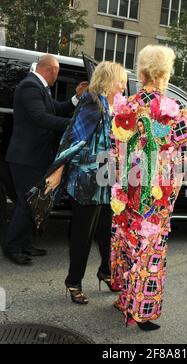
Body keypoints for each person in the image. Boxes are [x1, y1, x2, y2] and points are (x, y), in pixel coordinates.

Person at [110, 45, 187, 331]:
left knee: (128, 242)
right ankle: (142, 310)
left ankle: (124, 298)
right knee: (150, 250)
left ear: (142, 72)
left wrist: (117, 187)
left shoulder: (125, 106)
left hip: (126, 192)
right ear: (164, 74)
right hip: (157, 195)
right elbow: (183, 159)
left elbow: (114, 149)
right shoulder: (175, 112)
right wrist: (170, 199)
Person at [46, 61, 127, 304]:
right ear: (110, 80)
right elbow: (73, 138)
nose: (124, 85)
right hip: (87, 180)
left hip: (107, 179)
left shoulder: (114, 105)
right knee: (83, 234)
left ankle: (106, 271)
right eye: (121, 80)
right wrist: (57, 169)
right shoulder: (93, 101)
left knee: (107, 231)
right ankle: (73, 281)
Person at [3, 54, 88, 266]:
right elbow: (41, 118)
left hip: (35, 157)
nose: (56, 77)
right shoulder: (30, 86)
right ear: (51, 70)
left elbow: (54, 109)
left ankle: (25, 244)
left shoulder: (39, 87)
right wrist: (75, 126)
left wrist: (75, 98)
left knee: (34, 203)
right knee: (27, 203)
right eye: (57, 73)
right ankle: (12, 247)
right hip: (25, 158)